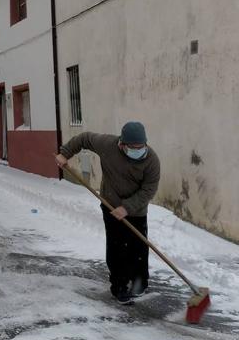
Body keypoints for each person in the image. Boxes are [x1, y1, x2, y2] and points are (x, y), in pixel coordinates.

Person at [55, 122, 160, 304]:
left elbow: (148, 190)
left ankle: (139, 282)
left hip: (136, 210)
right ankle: (119, 286)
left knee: (139, 247)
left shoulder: (151, 160)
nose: (138, 150)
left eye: (141, 146)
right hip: (110, 205)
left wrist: (127, 207)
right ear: (122, 143)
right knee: (117, 246)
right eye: (133, 147)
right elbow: (84, 138)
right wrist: (65, 153)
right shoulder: (107, 145)